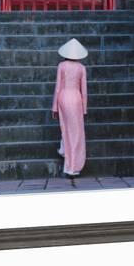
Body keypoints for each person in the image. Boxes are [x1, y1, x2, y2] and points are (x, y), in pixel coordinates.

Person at [51, 38, 88, 178]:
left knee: (66, 129)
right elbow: (84, 90)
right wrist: (84, 109)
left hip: (63, 97)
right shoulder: (81, 68)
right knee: (76, 133)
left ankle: (66, 155)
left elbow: (57, 87)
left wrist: (54, 107)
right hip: (76, 98)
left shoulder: (61, 65)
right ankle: (72, 167)